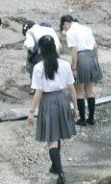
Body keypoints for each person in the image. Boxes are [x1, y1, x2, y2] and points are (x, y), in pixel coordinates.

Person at [27, 35, 78, 184]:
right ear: (54, 47)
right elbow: (71, 88)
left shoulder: (38, 67)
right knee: (59, 133)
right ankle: (55, 167)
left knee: (51, 139)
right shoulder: (65, 64)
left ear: (41, 49)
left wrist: (31, 112)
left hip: (48, 101)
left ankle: (59, 171)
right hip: (62, 99)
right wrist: (76, 107)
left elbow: (39, 91)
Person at [60, 15, 103, 126]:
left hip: (81, 58)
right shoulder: (87, 29)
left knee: (79, 90)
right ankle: (91, 118)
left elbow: (74, 50)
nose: (64, 30)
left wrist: (73, 68)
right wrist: (96, 62)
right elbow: (95, 46)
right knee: (89, 90)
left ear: (66, 23)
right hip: (92, 57)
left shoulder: (70, 31)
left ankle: (82, 119)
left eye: (63, 27)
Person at [22, 20, 61, 95]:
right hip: (53, 50)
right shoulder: (48, 29)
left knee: (35, 69)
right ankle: (49, 85)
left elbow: (30, 46)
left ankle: (35, 88)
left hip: (41, 53)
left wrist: (29, 49)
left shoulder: (30, 32)